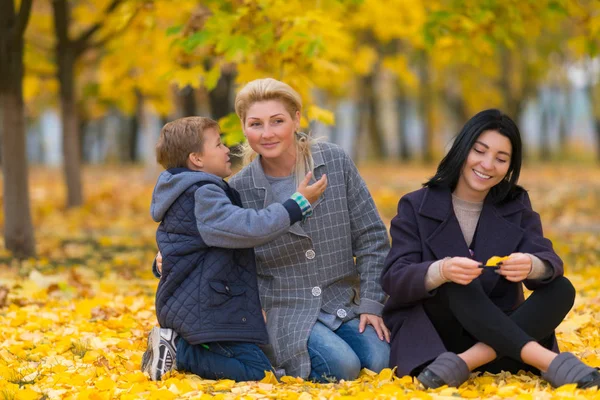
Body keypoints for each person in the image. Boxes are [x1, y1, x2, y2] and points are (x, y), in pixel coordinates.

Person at [381, 109, 600, 389]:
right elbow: (394, 279)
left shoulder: (515, 204)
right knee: (457, 280)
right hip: (439, 342)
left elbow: (548, 259)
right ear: (462, 149)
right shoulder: (415, 205)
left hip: (498, 339)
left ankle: (470, 361)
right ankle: (548, 362)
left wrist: (533, 265)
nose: (487, 164)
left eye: (501, 159)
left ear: (510, 167)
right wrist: (441, 270)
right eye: (479, 151)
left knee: (562, 288)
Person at [228, 78, 391, 381]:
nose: (267, 133)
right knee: (342, 366)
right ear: (243, 126)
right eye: (256, 124)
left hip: (341, 300)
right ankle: (272, 354)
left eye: (277, 121)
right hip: (283, 309)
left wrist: (372, 302)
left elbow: (372, 237)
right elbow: (228, 259)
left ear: (296, 119)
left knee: (380, 361)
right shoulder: (238, 190)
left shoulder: (333, 161)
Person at [141, 116, 327, 381]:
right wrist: (296, 205)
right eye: (218, 145)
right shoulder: (202, 193)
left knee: (259, 366)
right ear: (196, 159)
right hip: (206, 308)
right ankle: (180, 350)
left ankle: (183, 345)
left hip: (204, 303)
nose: (227, 149)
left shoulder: (186, 190)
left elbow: (182, 243)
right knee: (258, 373)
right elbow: (248, 227)